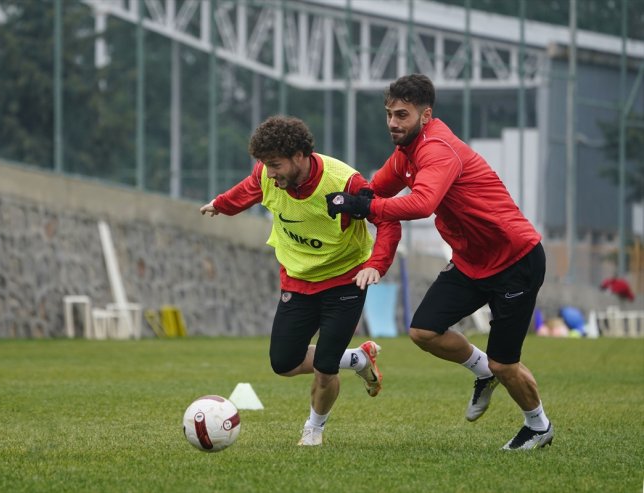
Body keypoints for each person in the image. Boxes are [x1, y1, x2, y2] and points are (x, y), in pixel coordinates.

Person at [325, 74, 553, 450]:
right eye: (389, 114)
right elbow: (374, 189)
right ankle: (482, 372)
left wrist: (366, 206)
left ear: (425, 115)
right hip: (471, 261)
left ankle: (538, 426)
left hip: (517, 259)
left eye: (402, 115)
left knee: (505, 363)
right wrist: (337, 197)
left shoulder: (437, 149)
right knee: (423, 331)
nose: (394, 123)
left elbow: (421, 204)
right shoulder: (405, 155)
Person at [200, 115, 400, 446]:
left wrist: (376, 265)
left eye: (275, 164)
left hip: (345, 280)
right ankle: (360, 358)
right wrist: (221, 205)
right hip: (297, 280)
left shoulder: (345, 183)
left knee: (324, 368)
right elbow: (249, 189)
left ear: (299, 156)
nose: (270, 172)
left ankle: (314, 428)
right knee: (283, 363)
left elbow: (388, 220)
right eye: (265, 164)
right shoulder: (267, 175)